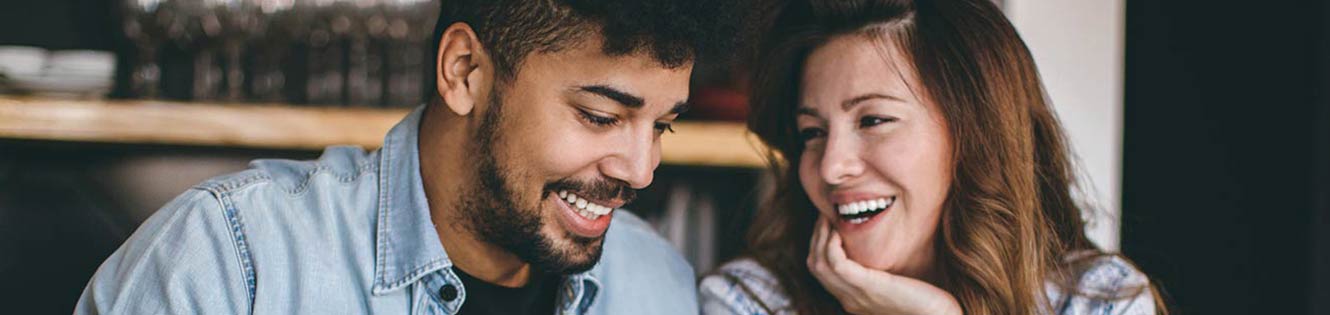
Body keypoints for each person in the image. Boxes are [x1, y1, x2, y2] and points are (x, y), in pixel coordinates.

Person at [75, 0, 748, 314]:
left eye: (663, 126)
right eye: (601, 117)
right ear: (464, 71)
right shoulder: (233, 263)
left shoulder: (656, 284)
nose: (639, 170)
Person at [700, 0, 1165, 314]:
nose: (830, 167)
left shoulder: (1101, 300)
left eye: (873, 120)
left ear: (975, 133)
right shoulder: (752, 300)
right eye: (812, 132)